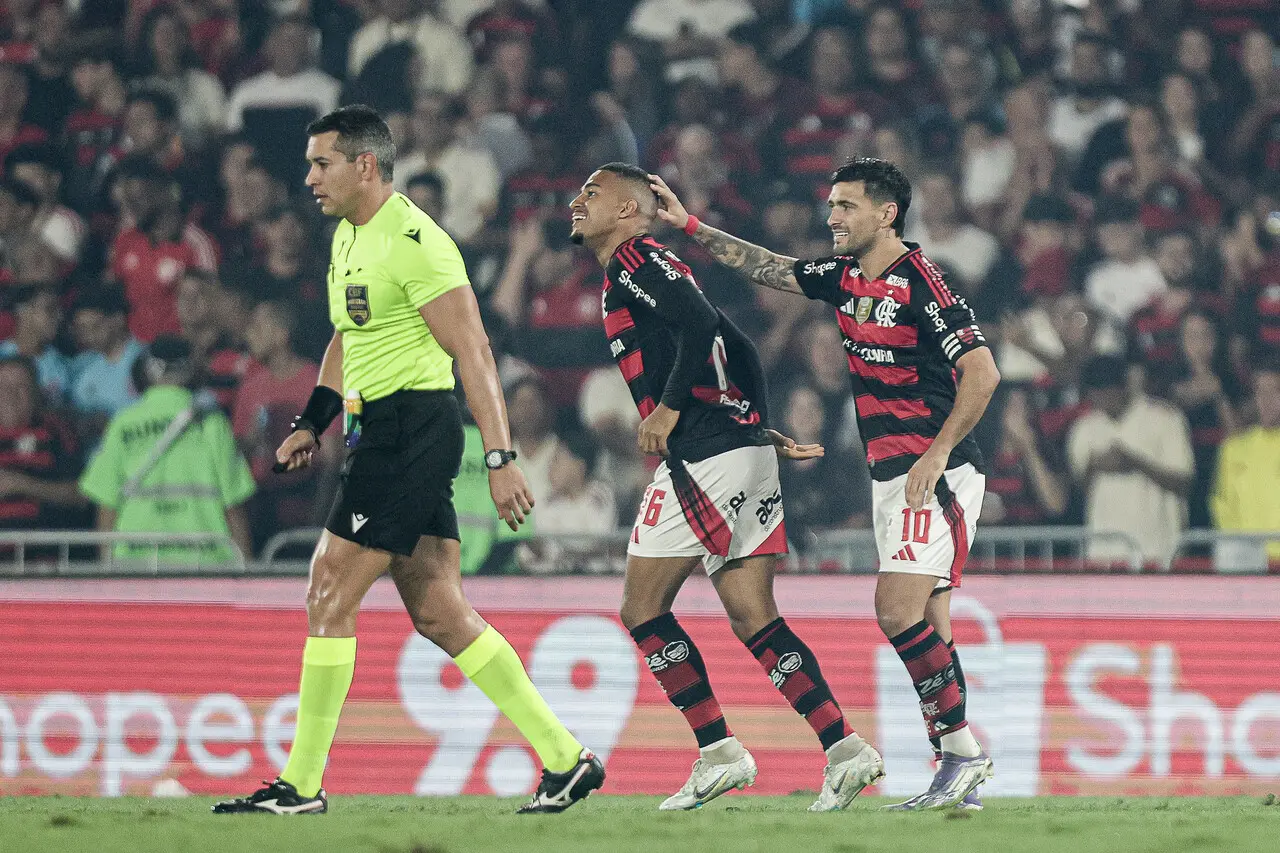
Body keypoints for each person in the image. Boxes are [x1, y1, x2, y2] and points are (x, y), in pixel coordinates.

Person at [213, 105, 602, 816]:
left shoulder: (418, 243)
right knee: (439, 611)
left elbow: (473, 350)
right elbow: (348, 336)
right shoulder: (347, 237)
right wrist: (313, 421)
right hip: (377, 429)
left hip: (410, 430)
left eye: (322, 163)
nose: (309, 179)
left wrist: (500, 456)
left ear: (365, 165)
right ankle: (565, 758)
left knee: (328, 589)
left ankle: (300, 785)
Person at [650, 157, 1001, 810]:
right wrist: (691, 226)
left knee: (896, 611)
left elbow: (983, 373)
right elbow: (770, 267)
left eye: (846, 206)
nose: (832, 216)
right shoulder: (843, 278)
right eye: (832, 204)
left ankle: (964, 754)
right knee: (930, 620)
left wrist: (937, 455)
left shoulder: (922, 282)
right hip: (891, 474)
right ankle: (957, 772)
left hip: (937, 471)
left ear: (886, 214)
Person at [570, 162, 883, 812]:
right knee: (754, 617)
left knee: (641, 608)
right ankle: (845, 748)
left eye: (592, 193)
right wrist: (755, 424)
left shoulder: (633, 259)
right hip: (738, 449)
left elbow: (700, 327)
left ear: (627, 210)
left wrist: (668, 409)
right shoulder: (655, 265)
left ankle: (719, 751)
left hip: (704, 456)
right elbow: (738, 342)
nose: (577, 201)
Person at [78, 336, 255, 565]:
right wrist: (246, 568)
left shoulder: (122, 424)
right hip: (205, 562)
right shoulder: (213, 424)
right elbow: (233, 505)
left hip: (135, 562)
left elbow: (107, 505)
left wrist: (107, 568)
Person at [1067, 356, 1194, 566]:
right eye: (1096, 395)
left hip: (1159, 552)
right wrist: (1094, 466)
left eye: (1108, 392)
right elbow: (1080, 491)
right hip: (1104, 553)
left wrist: (1135, 462)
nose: (1103, 400)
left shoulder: (1165, 419)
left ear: (1123, 387)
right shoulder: (1084, 428)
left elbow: (1183, 482)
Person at [1212, 361, 1280, 564]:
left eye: (1275, 391)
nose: (1266, 400)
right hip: (1248, 566)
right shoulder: (1233, 449)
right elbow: (1222, 508)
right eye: (1260, 392)